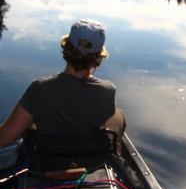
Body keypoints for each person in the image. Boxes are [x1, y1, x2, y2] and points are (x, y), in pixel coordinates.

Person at [0, 19, 126, 157]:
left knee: (31, 122)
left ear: (67, 48)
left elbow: (5, 138)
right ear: (98, 58)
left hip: (47, 164)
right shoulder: (108, 91)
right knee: (118, 115)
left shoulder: (40, 89)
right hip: (90, 162)